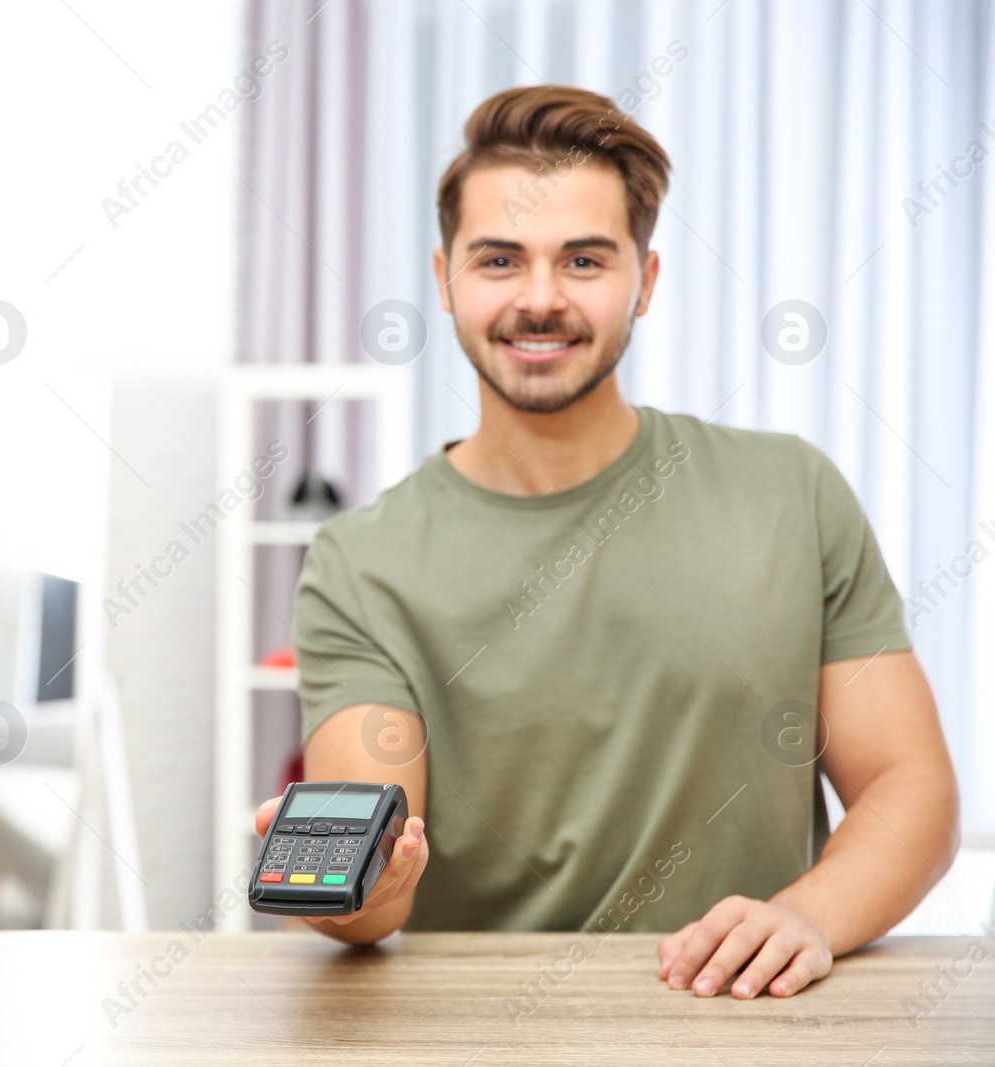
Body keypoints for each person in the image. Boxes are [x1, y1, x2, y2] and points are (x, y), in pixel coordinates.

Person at [255, 85, 959, 1001]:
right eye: (500, 259)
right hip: (478, 1039)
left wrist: (810, 914)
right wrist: (366, 889)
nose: (540, 299)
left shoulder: (792, 492)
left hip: (746, 1019)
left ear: (647, 280)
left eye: (583, 259)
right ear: (444, 280)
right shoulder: (361, 560)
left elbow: (913, 788)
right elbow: (377, 873)